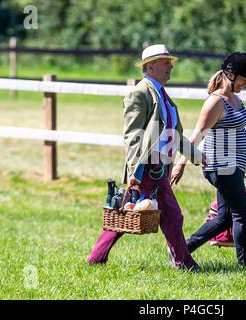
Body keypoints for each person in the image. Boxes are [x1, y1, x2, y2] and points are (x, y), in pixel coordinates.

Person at [87, 44, 203, 271]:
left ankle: (96, 258)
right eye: (165, 62)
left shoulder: (163, 95)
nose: (170, 66)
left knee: (165, 216)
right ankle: (184, 263)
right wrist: (133, 174)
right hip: (146, 167)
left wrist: (198, 157)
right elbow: (133, 136)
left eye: (170, 62)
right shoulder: (139, 93)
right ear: (150, 67)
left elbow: (175, 135)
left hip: (161, 167)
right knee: (145, 215)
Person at [170, 52, 246, 266]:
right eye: (244, 78)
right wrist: (181, 164)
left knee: (224, 217)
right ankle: (245, 264)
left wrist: (238, 167)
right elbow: (197, 134)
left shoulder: (235, 99)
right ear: (230, 74)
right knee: (242, 213)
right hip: (219, 166)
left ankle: (182, 250)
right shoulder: (215, 102)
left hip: (231, 166)